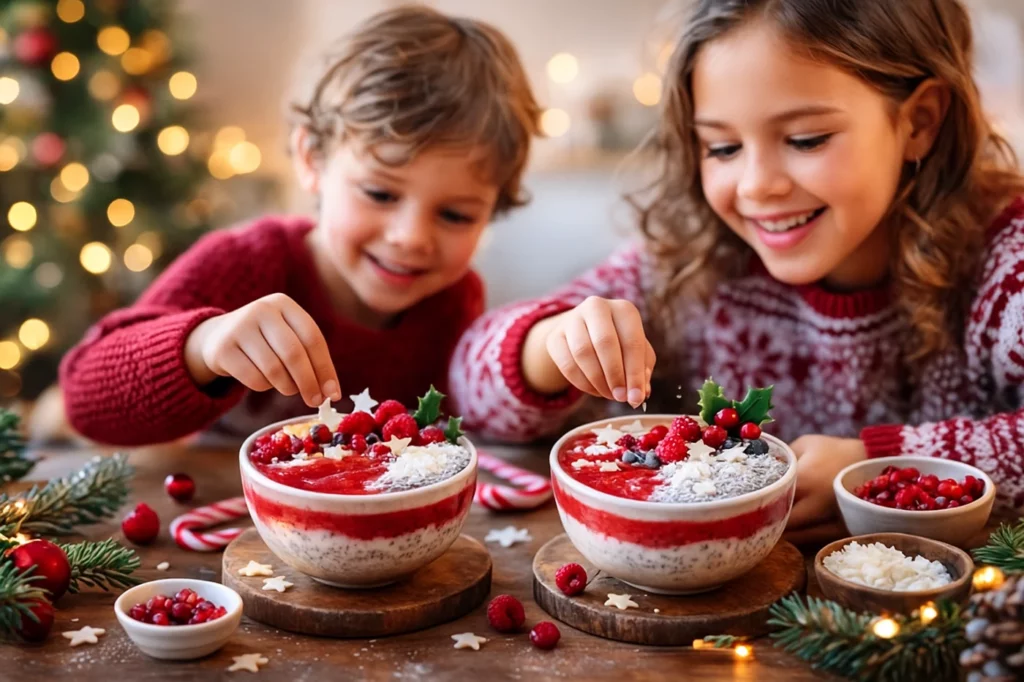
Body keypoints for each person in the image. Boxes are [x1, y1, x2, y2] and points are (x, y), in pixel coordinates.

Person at [449, 0, 1024, 541]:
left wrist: (879, 463)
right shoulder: (694, 259)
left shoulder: (1005, 260)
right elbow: (471, 384)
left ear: (919, 122)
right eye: (722, 149)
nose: (756, 186)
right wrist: (553, 344)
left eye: (806, 139)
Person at [59, 5, 540, 446]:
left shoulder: (455, 302)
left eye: (455, 215)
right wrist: (202, 346)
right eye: (379, 193)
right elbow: (83, 399)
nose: (411, 237)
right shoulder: (244, 263)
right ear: (312, 157)